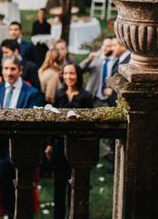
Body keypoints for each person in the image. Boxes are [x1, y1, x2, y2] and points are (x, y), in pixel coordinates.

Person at [0, 55, 44, 218]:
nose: (9, 72)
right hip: (0, 148)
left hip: (22, 149)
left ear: (20, 71)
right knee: (5, 186)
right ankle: (8, 213)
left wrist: (4, 114)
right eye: (6, 68)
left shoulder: (32, 93)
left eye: (12, 69)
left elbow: (32, 120)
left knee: (23, 187)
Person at [48, 61, 93, 219]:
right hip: (60, 147)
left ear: (78, 75)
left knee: (75, 185)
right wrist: (49, 144)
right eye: (65, 73)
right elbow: (54, 119)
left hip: (78, 147)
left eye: (72, 73)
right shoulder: (59, 94)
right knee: (59, 186)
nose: (68, 77)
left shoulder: (86, 96)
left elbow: (90, 123)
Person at [80, 37, 116, 107]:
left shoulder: (116, 61)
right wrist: (89, 59)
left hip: (109, 100)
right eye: (103, 45)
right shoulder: (95, 58)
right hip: (93, 97)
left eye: (108, 46)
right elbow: (80, 70)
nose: (105, 48)